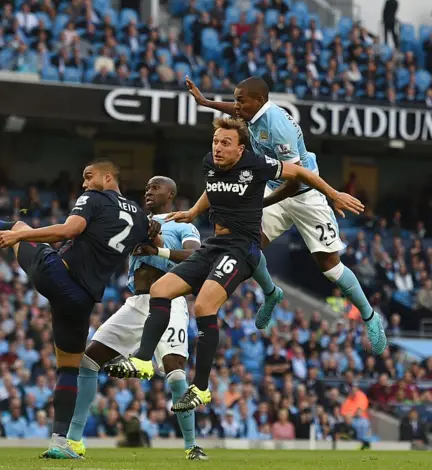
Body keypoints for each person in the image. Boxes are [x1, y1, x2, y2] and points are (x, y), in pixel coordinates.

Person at [106, 118, 363, 412]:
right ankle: (142, 359)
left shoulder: (257, 164)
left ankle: (200, 389)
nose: (218, 147)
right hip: (215, 243)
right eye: (215, 141)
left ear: (241, 149)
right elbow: (211, 188)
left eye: (225, 143)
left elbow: (301, 173)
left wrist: (333, 195)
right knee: (161, 289)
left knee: (203, 306)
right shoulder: (210, 164)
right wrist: (192, 212)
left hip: (243, 247)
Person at [0, 160, 151, 459]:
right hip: (82, 300)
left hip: (56, 274)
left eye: (89, 177)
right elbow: (153, 241)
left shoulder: (94, 198)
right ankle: (59, 441)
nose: (85, 184)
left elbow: (67, 231)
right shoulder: (140, 218)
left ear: (108, 176)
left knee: (17, 226)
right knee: (68, 368)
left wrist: (21, 236)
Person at [185, 76, 386, 356]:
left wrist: (264, 201)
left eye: (241, 100)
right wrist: (206, 102)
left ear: (259, 101)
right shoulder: (255, 113)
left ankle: (369, 317)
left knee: (330, 267)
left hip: (305, 193)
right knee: (247, 246)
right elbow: (236, 111)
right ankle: (271, 293)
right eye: (236, 99)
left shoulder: (277, 127)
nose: (236, 105)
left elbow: (294, 181)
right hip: (276, 187)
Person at [65, 176, 207, 460]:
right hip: (137, 302)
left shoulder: (182, 224)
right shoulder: (138, 222)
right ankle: (74, 441)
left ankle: (192, 446)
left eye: (156, 187)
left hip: (169, 300)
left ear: (172, 193)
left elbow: (195, 256)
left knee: (175, 371)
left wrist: (159, 248)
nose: (149, 191)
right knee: (89, 359)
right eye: (147, 188)